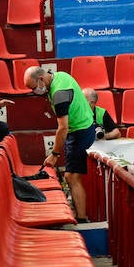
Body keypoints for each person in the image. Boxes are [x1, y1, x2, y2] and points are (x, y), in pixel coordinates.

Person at [24, 64, 96, 222]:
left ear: (41, 79)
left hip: (80, 132)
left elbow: (63, 128)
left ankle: (82, 219)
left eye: (34, 88)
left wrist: (54, 154)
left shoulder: (59, 94)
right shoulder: (60, 76)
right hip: (82, 127)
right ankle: (80, 215)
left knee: (72, 177)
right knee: (71, 176)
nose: (34, 92)